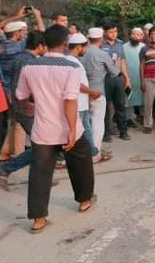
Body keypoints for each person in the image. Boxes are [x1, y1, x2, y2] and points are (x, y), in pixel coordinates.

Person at [16, 25, 95, 233]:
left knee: (40, 173)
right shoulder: (71, 68)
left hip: (43, 129)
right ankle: (84, 200)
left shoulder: (30, 67)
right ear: (64, 43)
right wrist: (70, 130)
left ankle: (38, 218)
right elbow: (70, 100)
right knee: (81, 162)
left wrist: (30, 108)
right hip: (68, 128)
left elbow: (21, 96)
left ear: (44, 44)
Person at [0, 31, 46, 190]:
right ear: (40, 46)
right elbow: (30, 88)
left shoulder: (19, 58)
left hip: (18, 106)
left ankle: (41, 178)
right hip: (27, 109)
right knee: (43, 145)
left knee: (43, 146)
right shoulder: (30, 62)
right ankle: (6, 169)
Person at [82, 28, 120, 160]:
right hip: (98, 91)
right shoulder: (102, 54)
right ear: (102, 39)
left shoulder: (83, 53)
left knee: (85, 122)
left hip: (83, 91)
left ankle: (86, 150)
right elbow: (114, 72)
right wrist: (117, 64)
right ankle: (95, 152)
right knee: (98, 122)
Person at [66, 34, 104, 162]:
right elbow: (77, 84)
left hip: (80, 102)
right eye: (84, 47)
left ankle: (92, 152)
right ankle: (93, 154)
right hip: (78, 103)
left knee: (84, 130)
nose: (86, 50)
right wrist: (92, 92)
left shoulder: (71, 61)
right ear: (78, 47)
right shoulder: (73, 62)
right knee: (85, 130)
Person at [101, 23, 131, 141]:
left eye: (115, 31)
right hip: (105, 78)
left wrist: (127, 78)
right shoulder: (101, 44)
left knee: (120, 105)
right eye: (110, 32)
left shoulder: (120, 44)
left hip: (118, 78)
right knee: (106, 107)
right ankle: (106, 133)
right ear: (105, 32)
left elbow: (122, 61)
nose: (113, 34)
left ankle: (123, 131)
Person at [123, 28, 145, 128]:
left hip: (141, 77)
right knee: (128, 97)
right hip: (128, 77)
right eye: (134, 34)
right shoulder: (123, 47)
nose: (136, 37)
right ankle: (128, 118)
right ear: (130, 35)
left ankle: (143, 116)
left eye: (138, 35)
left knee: (143, 97)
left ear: (142, 36)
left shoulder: (144, 47)